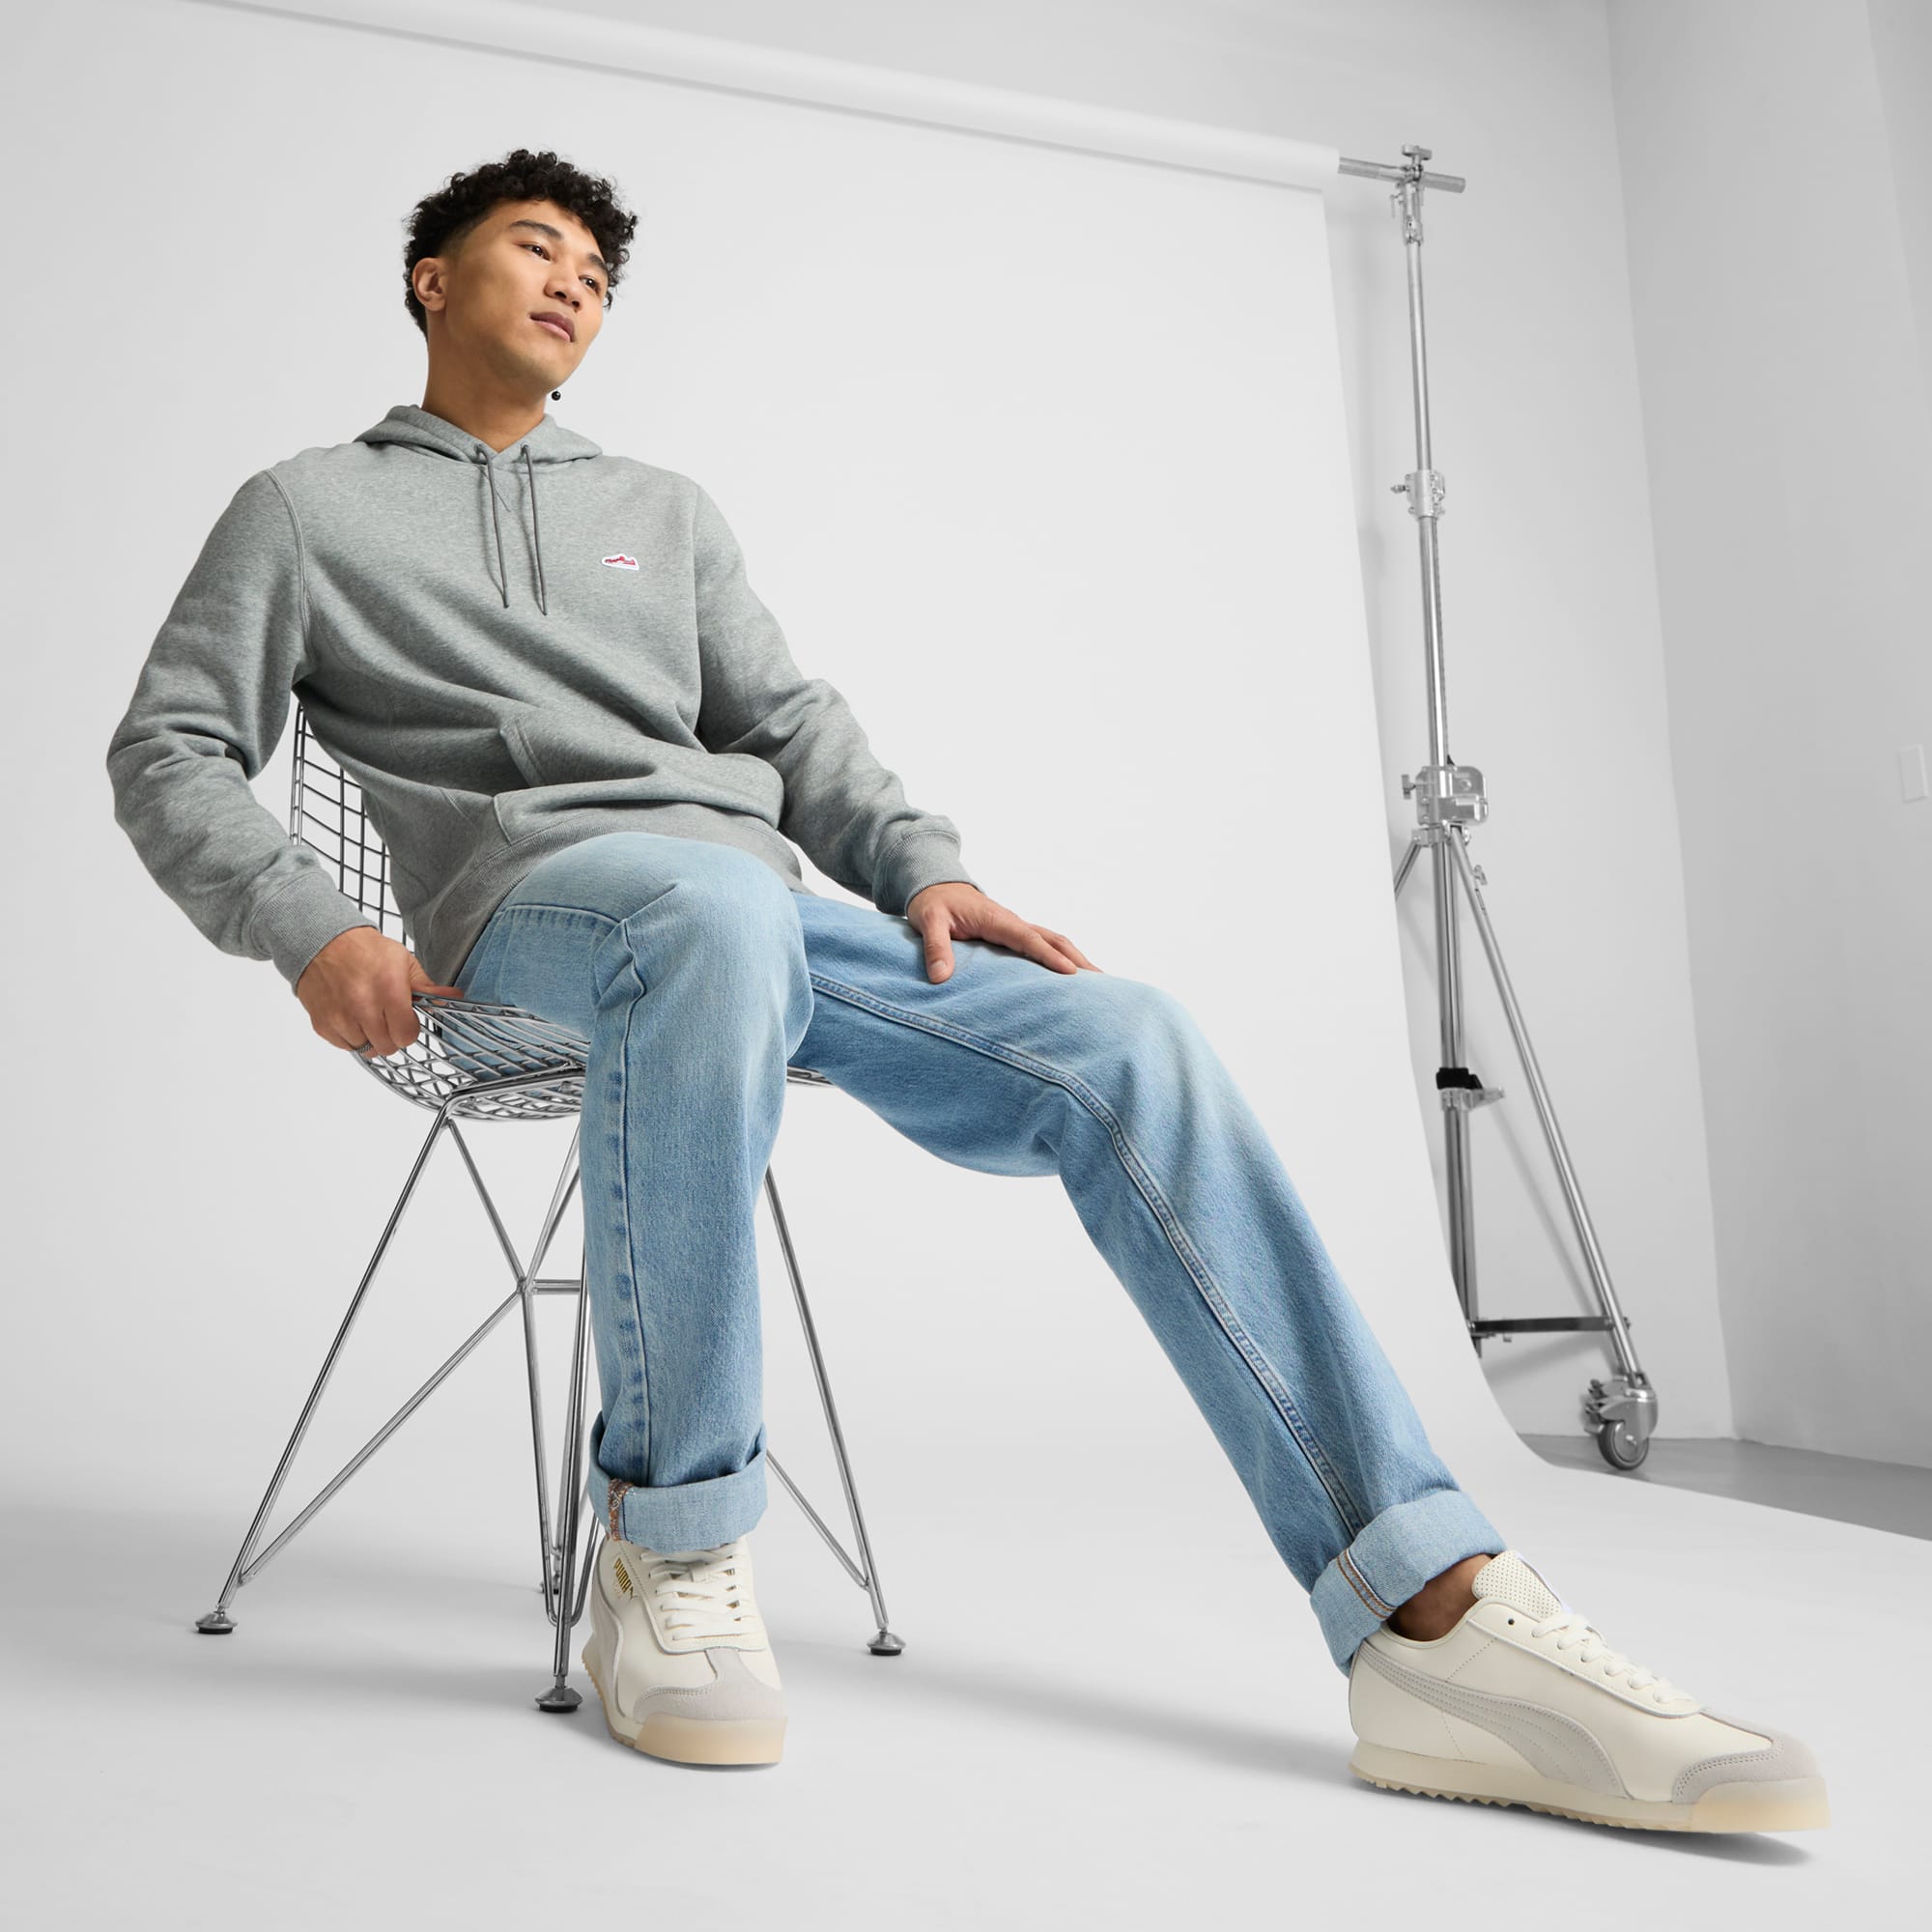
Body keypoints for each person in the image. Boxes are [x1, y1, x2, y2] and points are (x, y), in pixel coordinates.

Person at [105, 149, 1826, 1832]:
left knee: (1124, 1037)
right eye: (537, 246)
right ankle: (672, 1546)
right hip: (525, 918)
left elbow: (786, 726)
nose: (574, 283)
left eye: (600, 274)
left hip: (749, 920)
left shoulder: (660, 513)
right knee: (711, 914)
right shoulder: (306, 511)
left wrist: (918, 866)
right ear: (432, 277)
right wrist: (303, 922)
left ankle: (1427, 1615)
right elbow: (170, 745)